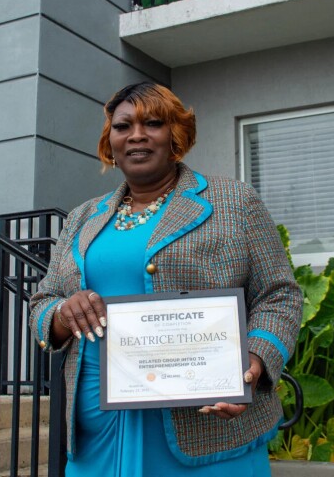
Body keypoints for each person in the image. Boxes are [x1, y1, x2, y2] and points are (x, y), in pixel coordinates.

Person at [29, 82, 302, 476]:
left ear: (175, 134)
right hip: (97, 424)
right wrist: (61, 313)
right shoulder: (82, 218)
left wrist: (254, 360)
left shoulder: (234, 202)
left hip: (205, 423)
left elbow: (280, 295)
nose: (136, 135)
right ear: (111, 140)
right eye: (123, 126)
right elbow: (44, 301)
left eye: (152, 123)